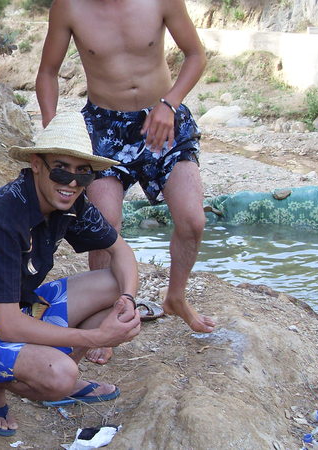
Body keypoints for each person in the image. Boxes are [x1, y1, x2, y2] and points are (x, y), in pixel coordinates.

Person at [0, 112, 141, 436]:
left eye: (83, 173)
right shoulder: (1, 217)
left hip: (20, 308)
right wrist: (97, 338)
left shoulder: (71, 202)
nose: (71, 182)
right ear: (36, 164)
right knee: (60, 376)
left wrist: (128, 299)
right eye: (61, 169)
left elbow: (121, 251)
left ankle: (54, 376)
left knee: (115, 284)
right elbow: (9, 325)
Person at [35, 0, 216, 338]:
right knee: (105, 226)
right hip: (105, 128)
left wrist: (170, 103)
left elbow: (195, 54)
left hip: (164, 120)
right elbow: (47, 72)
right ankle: (103, 315)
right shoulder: (69, 7)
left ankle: (176, 297)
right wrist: (52, 129)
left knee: (193, 220)